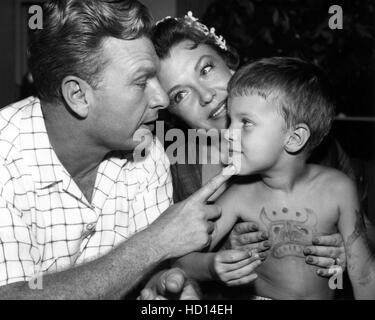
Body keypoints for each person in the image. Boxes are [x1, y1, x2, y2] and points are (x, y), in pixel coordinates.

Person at [0, 0, 233, 299]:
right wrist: (154, 242)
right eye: (141, 81)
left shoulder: (147, 153)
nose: (162, 98)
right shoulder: (6, 162)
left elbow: (149, 276)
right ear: (78, 96)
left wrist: (167, 287)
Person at [139, 13, 349, 300]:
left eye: (206, 69)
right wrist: (219, 259)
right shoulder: (167, 172)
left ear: (229, 61)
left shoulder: (306, 141)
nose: (205, 95)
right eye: (180, 95)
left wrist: (344, 246)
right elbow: (164, 264)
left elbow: (364, 233)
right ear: (170, 112)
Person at [175, 57, 375, 299]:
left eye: (245, 122)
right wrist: (212, 265)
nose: (228, 133)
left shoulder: (338, 188)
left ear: (294, 138)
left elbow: (363, 272)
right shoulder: (240, 195)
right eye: (230, 120)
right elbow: (181, 261)